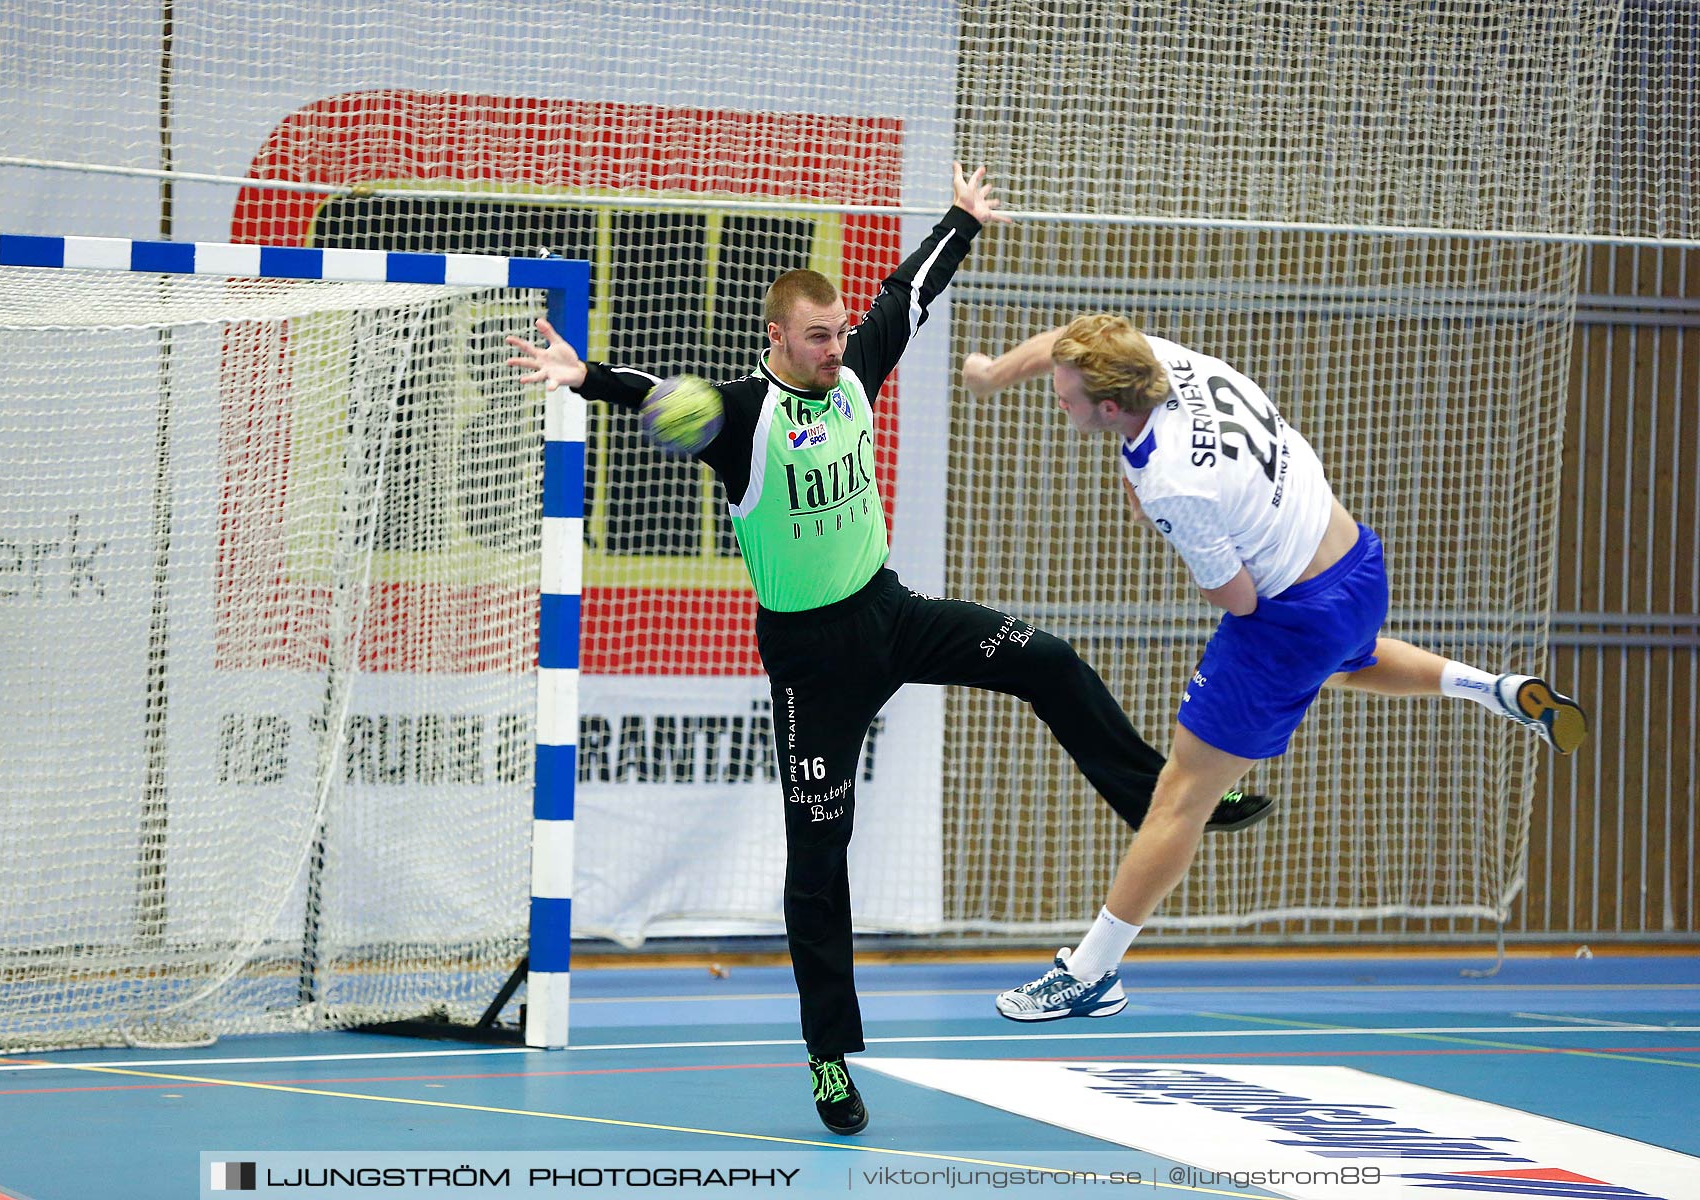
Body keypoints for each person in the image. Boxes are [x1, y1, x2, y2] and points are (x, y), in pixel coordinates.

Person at [506, 167, 1269, 1136]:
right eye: (816, 337)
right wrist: (587, 378)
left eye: (837, 334)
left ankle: (1165, 798)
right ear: (776, 337)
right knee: (819, 863)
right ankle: (828, 1058)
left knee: (1049, 661)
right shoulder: (739, 416)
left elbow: (906, 294)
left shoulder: (854, 373)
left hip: (889, 611)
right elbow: (661, 393)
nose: (835, 348)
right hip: (811, 660)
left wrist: (962, 220)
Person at [963, 315, 1590, 1023]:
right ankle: (1494, 689)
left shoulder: (1171, 482)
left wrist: (1150, 514)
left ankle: (1091, 973)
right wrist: (991, 374)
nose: (1057, 394)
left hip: (1290, 614)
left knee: (1180, 795)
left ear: (1111, 408)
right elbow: (1064, 345)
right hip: (1355, 560)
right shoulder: (1158, 358)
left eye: (1066, 394)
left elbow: (1239, 597)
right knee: (1342, 661)